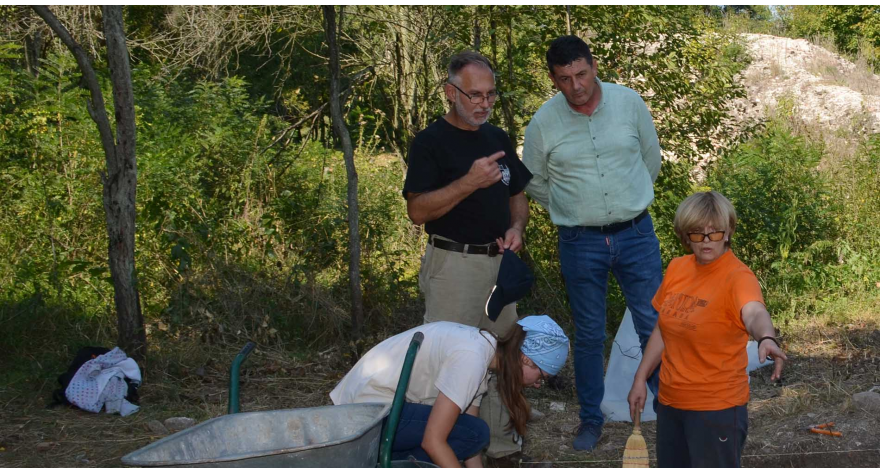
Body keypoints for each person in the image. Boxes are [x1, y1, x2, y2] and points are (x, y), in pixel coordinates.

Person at [521, 35, 663, 451]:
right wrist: (572, 209)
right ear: (553, 79)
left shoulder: (629, 103)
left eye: (581, 74)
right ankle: (590, 419)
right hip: (579, 241)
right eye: (564, 79)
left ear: (594, 66)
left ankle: (673, 411)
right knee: (588, 334)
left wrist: (627, 202)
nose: (576, 85)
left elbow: (649, 160)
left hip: (636, 234)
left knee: (654, 324)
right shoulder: (543, 122)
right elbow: (534, 182)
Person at [402, 50, 533, 458]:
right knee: (449, 363)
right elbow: (417, 211)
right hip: (453, 265)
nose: (484, 104)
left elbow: (518, 196)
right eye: (475, 95)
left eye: (491, 95)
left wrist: (516, 229)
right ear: (450, 92)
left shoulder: (497, 138)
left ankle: (495, 448)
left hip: (499, 265)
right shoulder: (430, 142)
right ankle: (440, 452)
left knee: (502, 356)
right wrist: (469, 182)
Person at [627, 191, 787, 468]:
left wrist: (766, 336)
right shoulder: (677, 268)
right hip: (670, 402)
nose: (706, 241)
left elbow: (754, 310)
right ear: (685, 235)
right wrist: (640, 378)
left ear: (728, 232)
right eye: (697, 233)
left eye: (714, 233)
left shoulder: (738, 277)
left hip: (717, 408)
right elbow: (663, 330)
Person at [330, 315, 570, 468]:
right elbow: (434, 441)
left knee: (472, 432)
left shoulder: (484, 355)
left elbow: (470, 440)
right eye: (542, 377)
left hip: (373, 411)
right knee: (470, 433)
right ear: (527, 360)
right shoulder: (472, 358)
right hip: (365, 414)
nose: (538, 384)